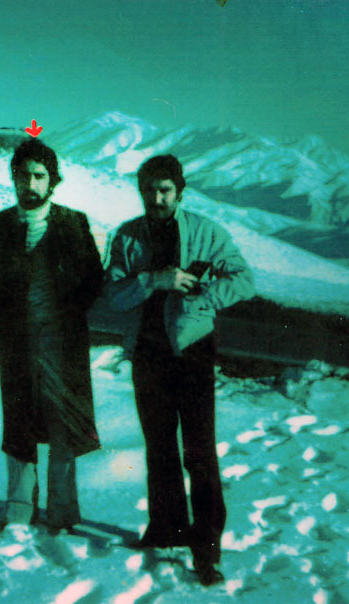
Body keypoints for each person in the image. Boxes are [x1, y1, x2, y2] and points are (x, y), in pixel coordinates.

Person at [103, 154, 254, 585]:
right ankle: (165, 529)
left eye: (165, 190)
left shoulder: (207, 232)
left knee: (199, 452)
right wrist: (155, 280)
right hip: (148, 353)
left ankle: (206, 549)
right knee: (159, 448)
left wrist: (204, 297)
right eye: (149, 190)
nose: (157, 198)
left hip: (192, 351)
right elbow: (114, 295)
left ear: (180, 192)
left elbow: (243, 280)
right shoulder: (127, 236)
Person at [0, 139, 104, 534]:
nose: (30, 183)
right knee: (18, 421)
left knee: (64, 423)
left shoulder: (74, 223)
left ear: (52, 180)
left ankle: (62, 511)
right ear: (13, 178)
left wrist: (61, 312)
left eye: (38, 176)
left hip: (63, 345)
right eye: (23, 175)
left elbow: (92, 282)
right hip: (18, 343)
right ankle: (19, 507)